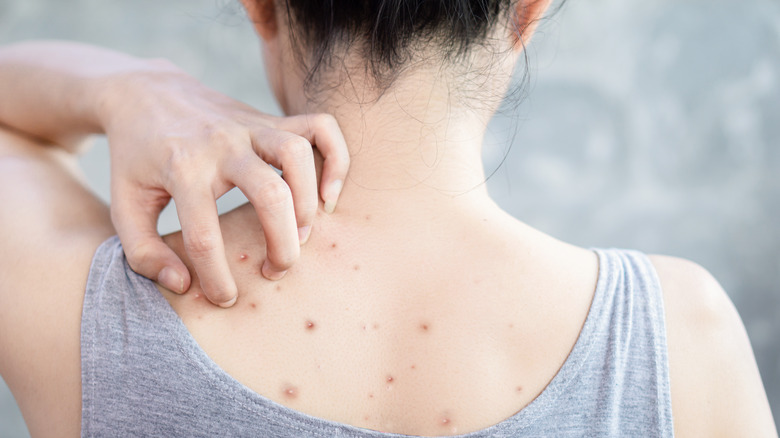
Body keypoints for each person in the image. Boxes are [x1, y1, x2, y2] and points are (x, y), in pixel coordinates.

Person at [0, 0, 776, 436]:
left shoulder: (93, 312)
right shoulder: (677, 335)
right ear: (528, 15)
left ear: (261, 8)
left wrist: (131, 87)